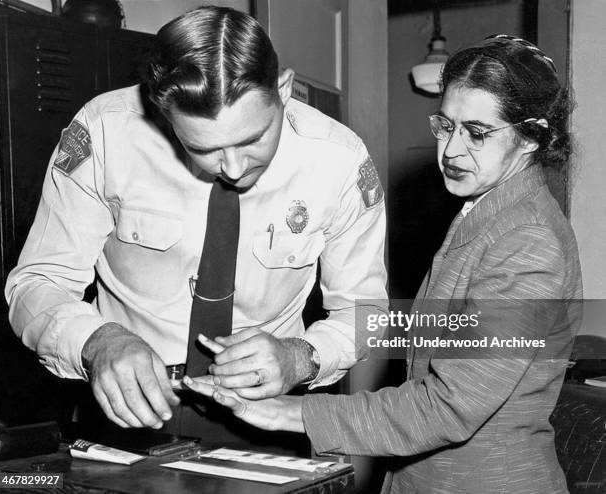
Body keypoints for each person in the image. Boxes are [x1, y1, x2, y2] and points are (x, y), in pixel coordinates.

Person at [185, 34, 582, 493]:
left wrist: (285, 411)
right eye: (445, 126)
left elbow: (448, 407)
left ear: (531, 136)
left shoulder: (528, 241)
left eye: (476, 132)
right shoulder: (490, 212)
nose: (451, 150)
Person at [4, 6, 387, 446]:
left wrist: (301, 357)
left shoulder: (339, 159)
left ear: (282, 89)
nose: (235, 167)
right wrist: (98, 341)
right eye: (203, 148)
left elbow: (368, 314)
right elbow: (37, 281)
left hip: (270, 417)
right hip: (126, 412)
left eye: (253, 139)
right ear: (162, 112)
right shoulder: (105, 131)